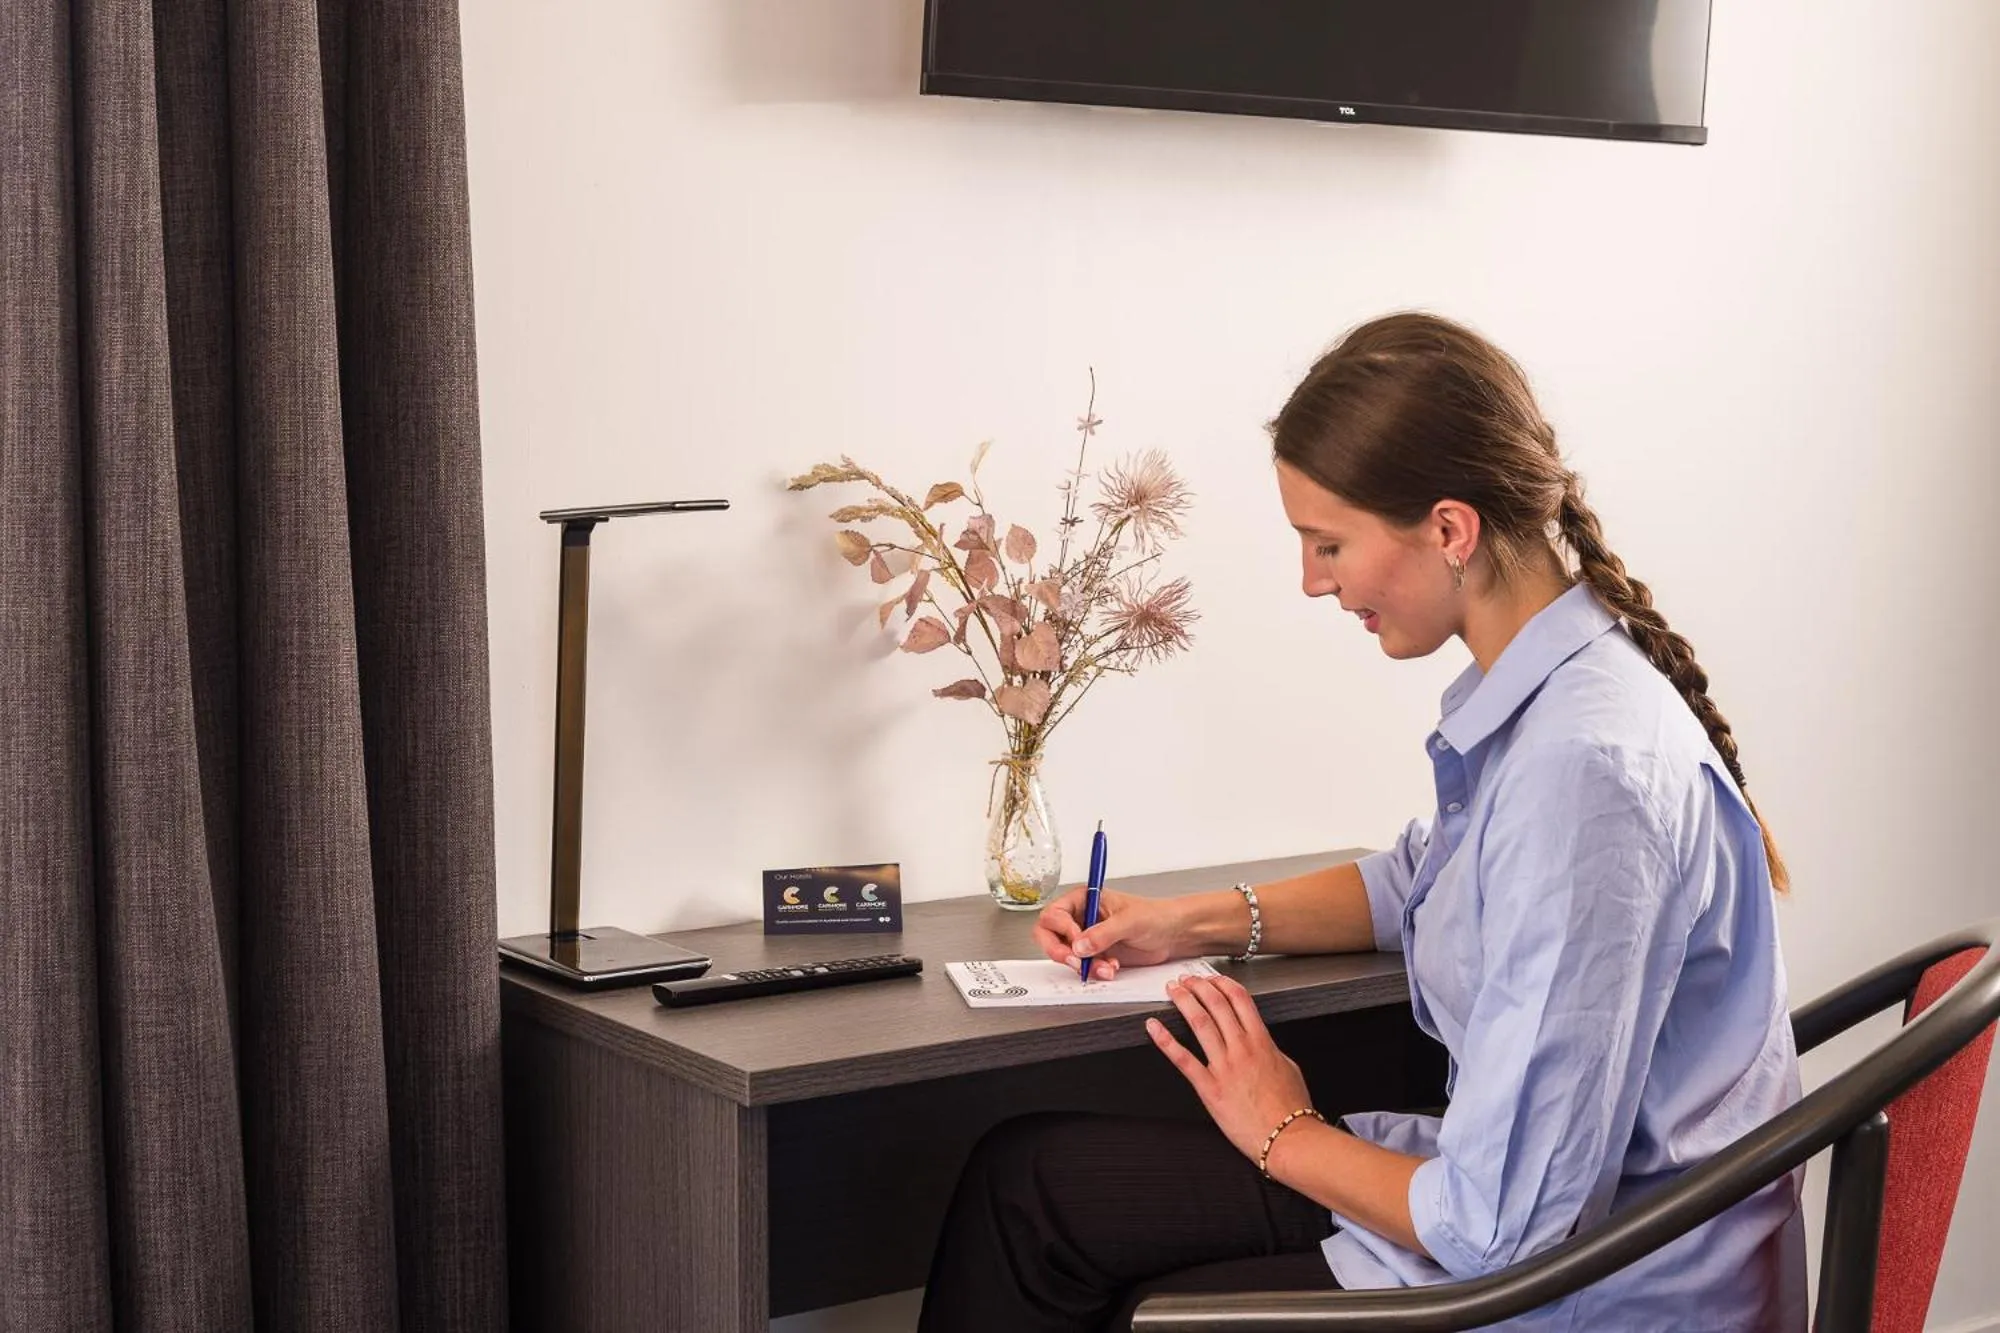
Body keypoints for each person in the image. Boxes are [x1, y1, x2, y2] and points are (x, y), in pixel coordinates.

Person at [916, 313, 1805, 1332]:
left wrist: (1280, 1126)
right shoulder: (1561, 695)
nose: (1311, 579)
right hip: (1541, 1226)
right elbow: (1415, 881)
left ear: (1447, 529)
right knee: (1028, 1179)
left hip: (1591, 1293)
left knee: (1084, 1254)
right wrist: (1182, 923)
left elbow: (1499, 1228)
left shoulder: (1582, 772)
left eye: (1327, 542)